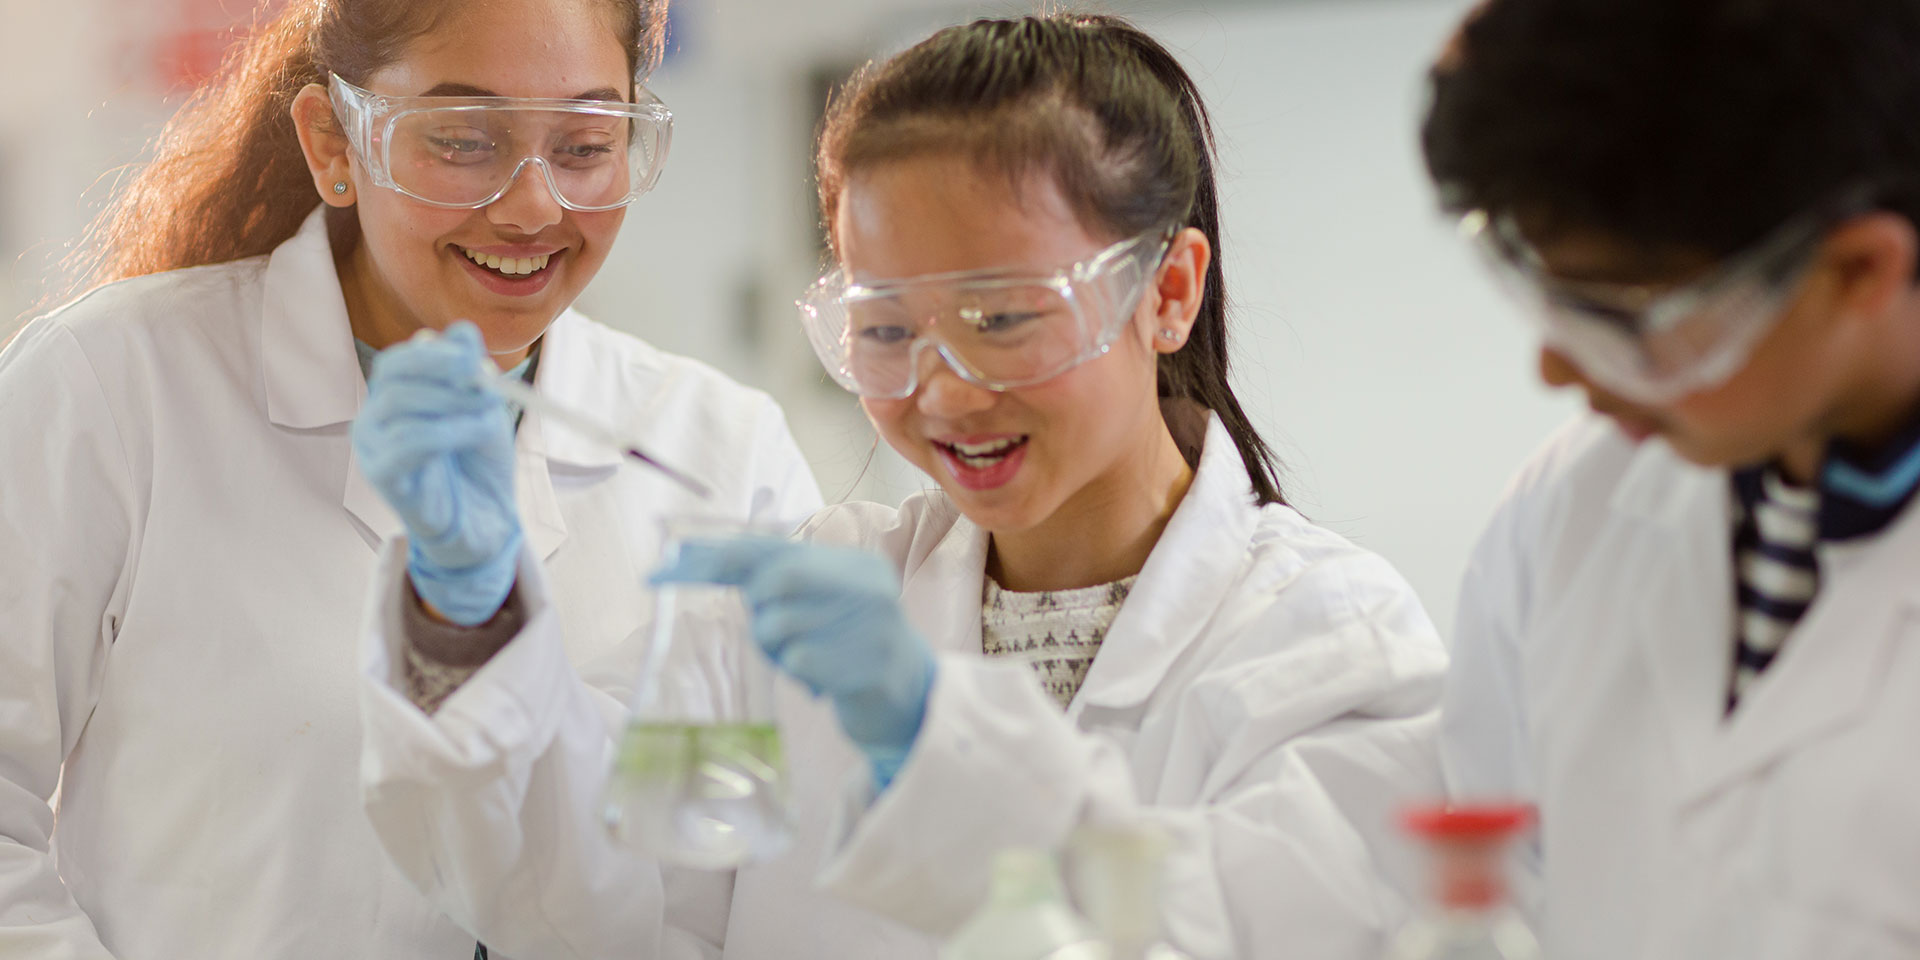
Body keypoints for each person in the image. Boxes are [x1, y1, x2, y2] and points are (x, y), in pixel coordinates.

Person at [353, 13, 1447, 960]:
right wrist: (465, 602)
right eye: (884, 330)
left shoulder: (1331, 652)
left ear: (1166, 291)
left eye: (1004, 318)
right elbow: (599, 904)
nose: (947, 394)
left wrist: (932, 743)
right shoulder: (814, 599)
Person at [0, 0, 821, 955]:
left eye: (587, 144)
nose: (533, 206)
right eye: (465, 139)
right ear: (334, 142)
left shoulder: (722, 456)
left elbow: (753, 889)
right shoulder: (114, 386)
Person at [1424, 0, 1920, 956]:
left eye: (1629, 313)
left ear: (1859, 270)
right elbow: (1507, 892)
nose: (1558, 370)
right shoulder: (1571, 508)